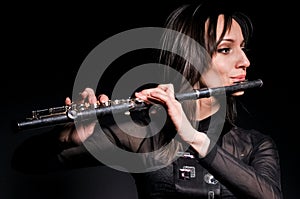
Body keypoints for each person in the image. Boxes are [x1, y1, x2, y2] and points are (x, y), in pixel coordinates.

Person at [12, 0, 283, 198]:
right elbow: (25, 162)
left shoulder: (254, 145)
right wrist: (65, 140)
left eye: (243, 48)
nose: (245, 61)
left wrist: (194, 137)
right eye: (226, 49)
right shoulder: (144, 134)